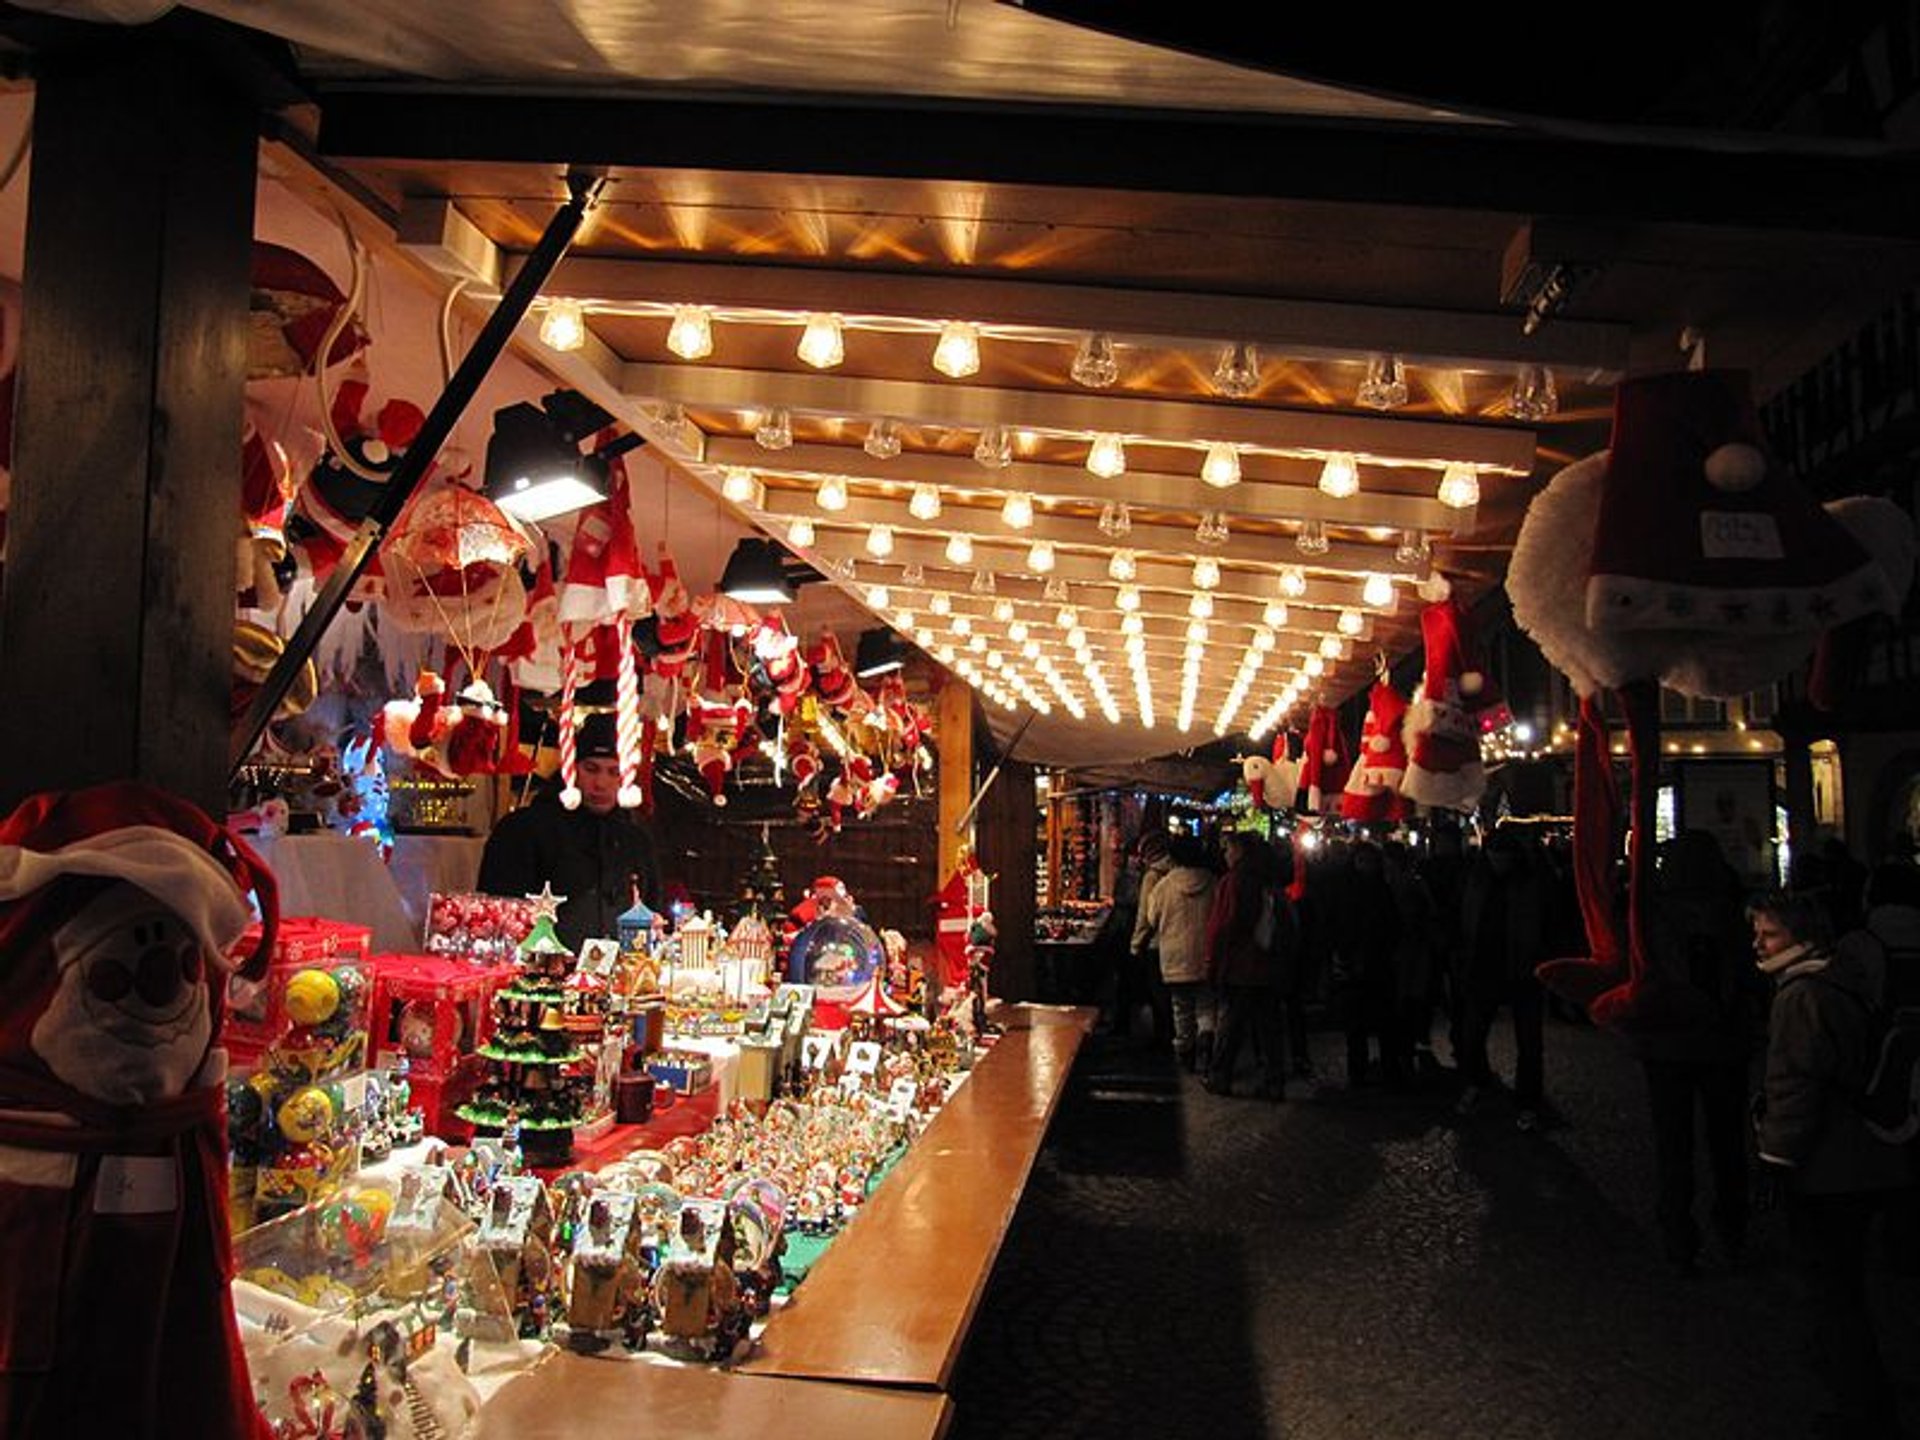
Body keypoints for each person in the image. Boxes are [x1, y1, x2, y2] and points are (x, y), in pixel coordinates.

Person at [1753, 889, 1915, 1439]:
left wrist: (1776, 1159)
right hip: (1868, 1158)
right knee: (1843, 1284)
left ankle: (1861, 1405)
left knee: (1834, 1289)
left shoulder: (1802, 995)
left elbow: (1795, 1086)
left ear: (1801, 937)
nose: (1758, 942)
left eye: (1769, 934)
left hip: (1831, 1166)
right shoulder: (1849, 978)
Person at [1635, 831, 1760, 1274]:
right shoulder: (1735, 914)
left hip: (1671, 1046)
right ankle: (1733, 1229)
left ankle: (1678, 1236)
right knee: (1727, 1144)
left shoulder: (1655, 915)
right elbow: (1752, 978)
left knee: (1675, 1146)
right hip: (1723, 1045)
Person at [477, 713, 662, 951]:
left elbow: (653, 908)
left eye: (613, 772)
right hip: (539, 977)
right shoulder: (523, 830)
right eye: (592, 769)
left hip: (620, 977)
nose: (601, 783)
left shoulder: (636, 841)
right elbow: (495, 915)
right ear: (571, 769)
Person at [1456, 827, 1552, 1127]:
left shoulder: (1529, 885)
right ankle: (1478, 1081)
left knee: (1529, 1043)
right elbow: (1465, 921)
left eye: (1504, 856)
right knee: (1470, 1036)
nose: (1499, 862)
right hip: (1484, 967)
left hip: (1522, 969)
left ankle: (1528, 1101)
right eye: (1495, 856)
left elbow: (1545, 922)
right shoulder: (1477, 882)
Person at [1204, 829, 1292, 1099]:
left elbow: (1225, 925)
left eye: (1228, 849)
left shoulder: (1235, 881)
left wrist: (1214, 960)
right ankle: (1274, 1081)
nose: (1225, 854)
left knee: (1232, 1024)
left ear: (1239, 851)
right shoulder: (1270, 878)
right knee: (1269, 1027)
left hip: (1242, 964)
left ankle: (1220, 1077)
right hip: (1267, 964)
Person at [1132, 835, 1217, 1070]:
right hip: (1205, 954)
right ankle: (1207, 1037)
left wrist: (1137, 944)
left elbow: (1151, 917)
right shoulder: (1212, 882)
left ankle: (1185, 1052)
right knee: (1205, 1004)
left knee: (1181, 1007)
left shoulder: (1164, 885)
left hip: (1174, 957)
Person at [1330, 841, 1401, 1088]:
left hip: (1378, 965)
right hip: (1354, 967)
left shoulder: (1383, 891)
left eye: (1369, 861)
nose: (1365, 866)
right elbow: (1339, 926)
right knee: (1356, 1026)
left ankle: (1389, 1071)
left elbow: (1392, 928)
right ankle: (1357, 1073)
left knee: (1384, 1023)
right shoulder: (1347, 892)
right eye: (1361, 861)